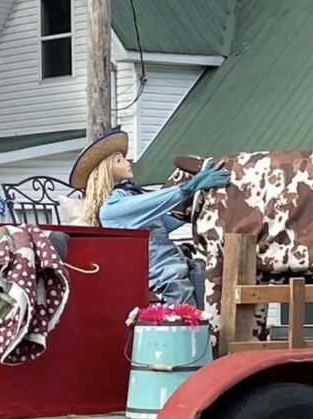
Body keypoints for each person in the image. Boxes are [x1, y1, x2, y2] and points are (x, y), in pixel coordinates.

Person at [71, 130, 230, 307]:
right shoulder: (112, 208)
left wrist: (196, 199)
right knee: (185, 310)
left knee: (200, 280)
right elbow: (156, 201)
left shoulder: (131, 197)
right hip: (161, 272)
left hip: (175, 264)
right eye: (119, 160)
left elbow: (167, 220)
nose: (127, 162)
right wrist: (189, 187)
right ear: (106, 171)